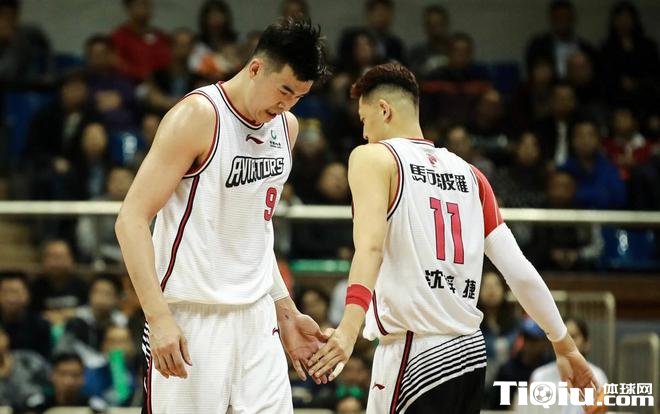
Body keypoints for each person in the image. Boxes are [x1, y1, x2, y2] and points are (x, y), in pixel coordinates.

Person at [307, 63, 601, 413]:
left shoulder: (374, 158)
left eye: (364, 120)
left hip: (415, 356)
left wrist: (347, 330)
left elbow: (370, 247)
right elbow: (519, 271)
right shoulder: (472, 175)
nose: (364, 133)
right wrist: (564, 344)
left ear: (384, 110)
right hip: (471, 356)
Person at [115, 18, 330, 413]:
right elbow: (130, 219)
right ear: (255, 68)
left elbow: (255, 229)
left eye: (299, 96)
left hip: (256, 318)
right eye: (284, 90)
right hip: (192, 314)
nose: (287, 104)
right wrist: (158, 318)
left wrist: (284, 309)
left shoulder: (287, 128)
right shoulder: (198, 116)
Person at [522, 317, 608, 414]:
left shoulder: (597, 376)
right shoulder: (539, 376)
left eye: (573, 336)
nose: (567, 343)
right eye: (563, 338)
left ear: (586, 343)